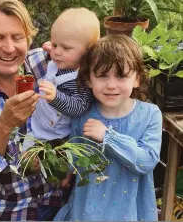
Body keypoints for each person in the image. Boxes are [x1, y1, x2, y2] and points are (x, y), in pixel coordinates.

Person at [0, 0, 63, 221]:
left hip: (63, 200)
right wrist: (4, 125)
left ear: (29, 39)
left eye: (17, 37)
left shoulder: (47, 64)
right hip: (12, 210)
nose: (9, 48)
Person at [54, 35, 163, 221]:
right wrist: (67, 171)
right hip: (87, 208)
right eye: (102, 75)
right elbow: (74, 147)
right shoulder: (84, 114)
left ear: (137, 78)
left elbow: (147, 161)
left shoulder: (150, 115)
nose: (111, 85)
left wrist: (108, 137)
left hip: (128, 211)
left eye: (121, 76)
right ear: (89, 79)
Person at [23, 8, 99, 151]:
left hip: (58, 137)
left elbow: (80, 107)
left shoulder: (82, 78)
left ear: (88, 51)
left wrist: (56, 97)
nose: (57, 52)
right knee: (23, 155)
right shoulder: (54, 64)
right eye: (55, 45)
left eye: (66, 48)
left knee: (50, 164)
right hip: (37, 125)